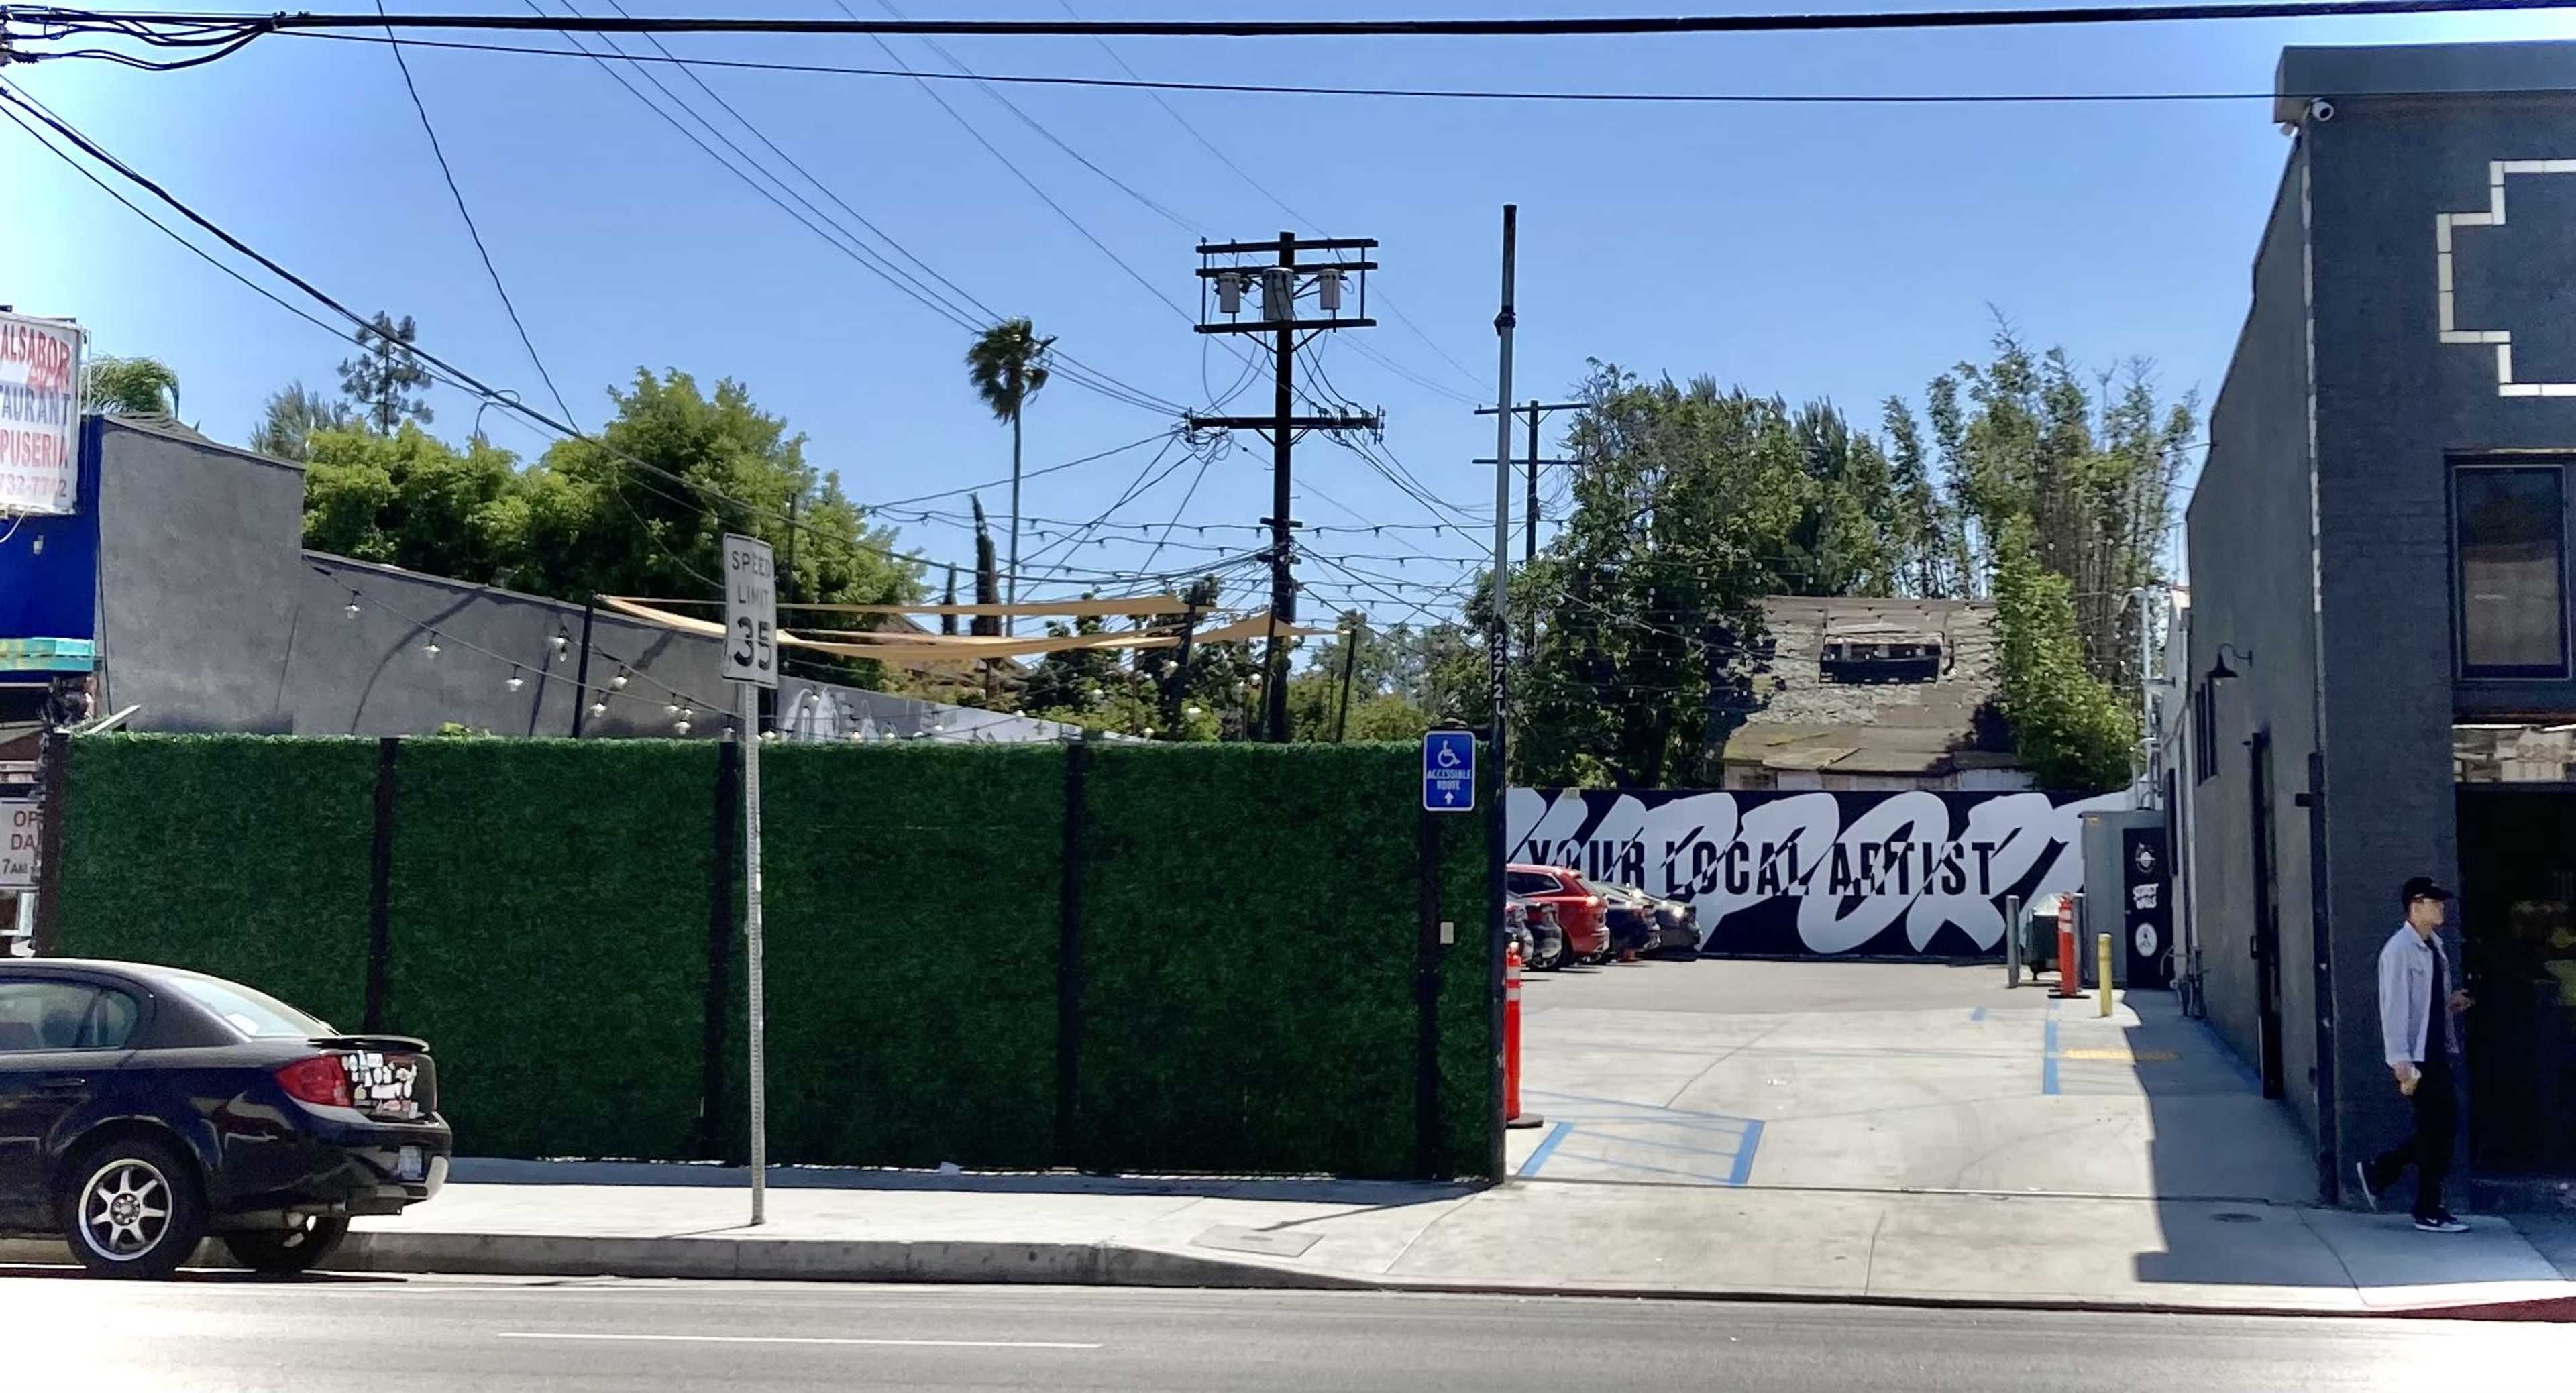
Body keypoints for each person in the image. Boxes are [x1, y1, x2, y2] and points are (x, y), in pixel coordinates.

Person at [2355, 876, 2473, 1231]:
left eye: (2441, 902)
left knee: (2439, 1129)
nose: (2441, 908)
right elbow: (2393, 1007)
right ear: (2415, 905)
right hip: (2418, 1057)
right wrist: (2400, 1061)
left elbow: (2424, 1005)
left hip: (2435, 1049)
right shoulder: (2399, 950)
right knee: (2438, 1129)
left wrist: (2449, 1004)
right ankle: (2425, 1207)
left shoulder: (2434, 946)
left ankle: (2384, 1172)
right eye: (2434, 902)